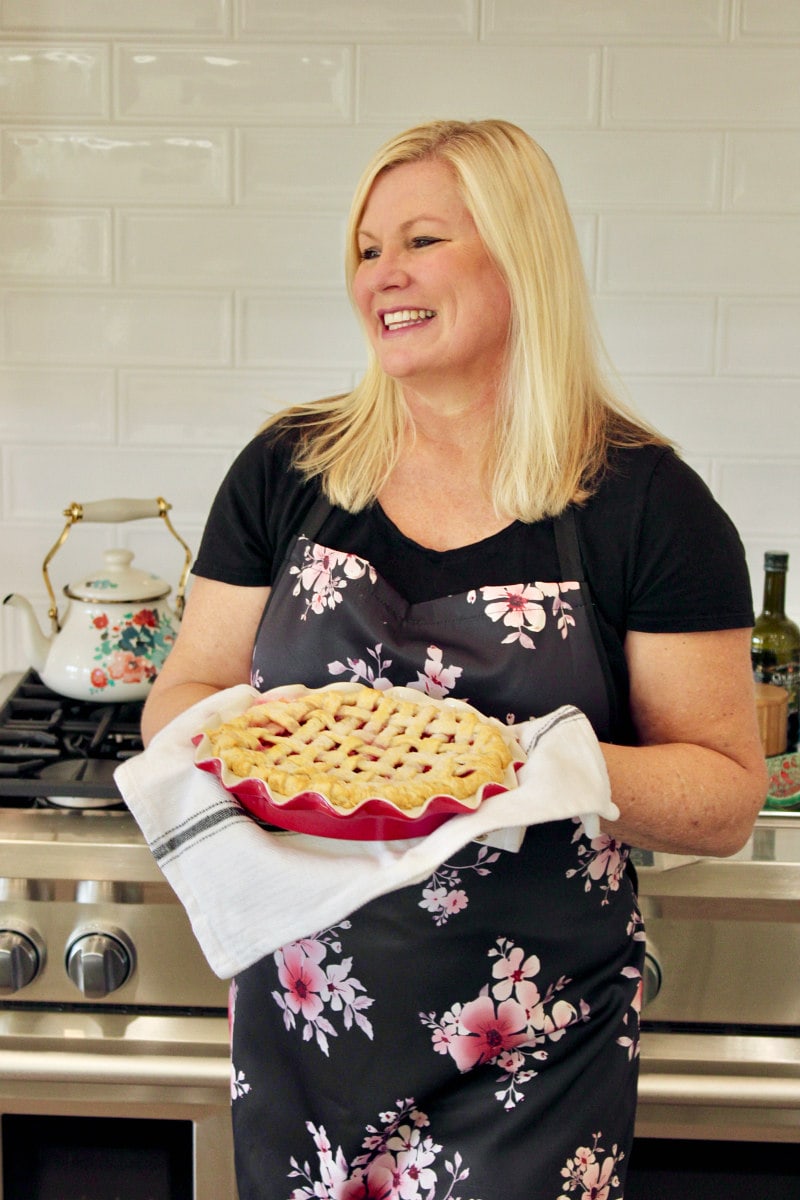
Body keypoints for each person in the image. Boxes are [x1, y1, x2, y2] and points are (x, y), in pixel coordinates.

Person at [142, 119, 767, 1199]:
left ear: (518, 256)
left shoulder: (644, 505)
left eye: (420, 240)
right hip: (307, 1032)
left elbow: (721, 798)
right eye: (366, 247)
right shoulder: (287, 470)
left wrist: (533, 766)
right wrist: (257, 759)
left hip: (529, 1058)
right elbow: (184, 696)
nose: (381, 274)